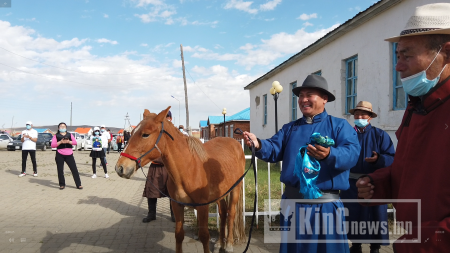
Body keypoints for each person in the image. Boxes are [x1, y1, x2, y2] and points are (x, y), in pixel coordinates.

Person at [356, 3, 450, 252]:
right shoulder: (418, 107)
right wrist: (377, 183)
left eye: (406, 56)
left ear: (447, 53)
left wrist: (421, 243)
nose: (398, 66)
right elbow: (409, 170)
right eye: (397, 56)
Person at [244, 75, 360, 253]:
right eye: (301, 96)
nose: (303, 100)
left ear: (324, 98)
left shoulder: (339, 126)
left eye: (310, 94)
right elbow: (274, 148)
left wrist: (330, 154)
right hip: (293, 206)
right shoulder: (290, 128)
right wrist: (258, 144)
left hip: (325, 207)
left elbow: (351, 154)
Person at [340, 101, 395, 253]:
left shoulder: (380, 135)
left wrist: (379, 160)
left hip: (374, 183)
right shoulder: (347, 134)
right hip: (351, 184)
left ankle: (375, 247)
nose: (360, 116)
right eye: (357, 114)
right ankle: (356, 245)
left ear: (370, 117)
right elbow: (339, 154)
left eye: (364, 114)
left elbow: (392, 157)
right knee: (353, 216)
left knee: (375, 216)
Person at [142, 110, 175, 223]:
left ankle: (174, 215)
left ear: (170, 118)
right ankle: (151, 214)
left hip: (169, 167)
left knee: (173, 193)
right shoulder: (156, 132)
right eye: (164, 117)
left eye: (168, 117)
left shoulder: (173, 133)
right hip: (155, 166)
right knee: (151, 191)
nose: (166, 119)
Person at [50, 122, 83, 190]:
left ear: (66, 128)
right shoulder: (56, 136)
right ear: (58, 128)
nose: (62, 127)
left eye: (64, 126)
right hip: (60, 154)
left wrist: (68, 142)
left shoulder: (70, 135)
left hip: (69, 155)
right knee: (60, 170)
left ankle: (78, 184)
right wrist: (60, 142)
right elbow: (53, 145)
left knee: (74, 170)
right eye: (61, 126)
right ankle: (62, 184)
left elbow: (75, 142)